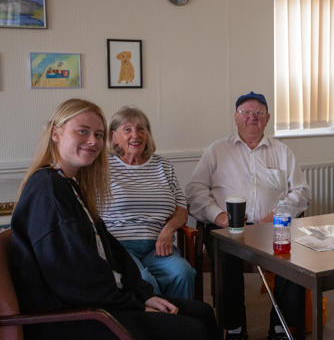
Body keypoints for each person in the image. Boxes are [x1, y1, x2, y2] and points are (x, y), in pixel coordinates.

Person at [10, 99, 218, 340]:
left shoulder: (71, 184)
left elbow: (109, 248)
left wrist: (143, 294)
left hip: (99, 300)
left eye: (97, 134)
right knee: (193, 328)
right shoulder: (47, 189)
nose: (93, 141)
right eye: (82, 131)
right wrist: (134, 304)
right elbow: (73, 278)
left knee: (202, 312)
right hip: (73, 315)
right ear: (56, 133)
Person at [186, 91, 311, 340]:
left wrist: (277, 214)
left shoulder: (282, 151)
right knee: (226, 258)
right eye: (246, 113)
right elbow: (195, 190)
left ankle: (280, 328)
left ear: (268, 119)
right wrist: (218, 215)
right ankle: (234, 327)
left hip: (272, 226)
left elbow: (302, 192)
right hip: (226, 228)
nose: (252, 118)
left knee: (295, 260)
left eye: (258, 113)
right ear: (235, 117)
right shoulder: (217, 150)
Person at [100, 106, 195, 299]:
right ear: (114, 136)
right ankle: (154, 326)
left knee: (182, 273)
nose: (136, 135)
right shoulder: (103, 168)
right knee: (143, 281)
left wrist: (168, 230)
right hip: (119, 247)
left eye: (141, 129)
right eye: (127, 129)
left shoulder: (163, 166)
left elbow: (181, 209)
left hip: (158, 245)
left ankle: (182, 325)